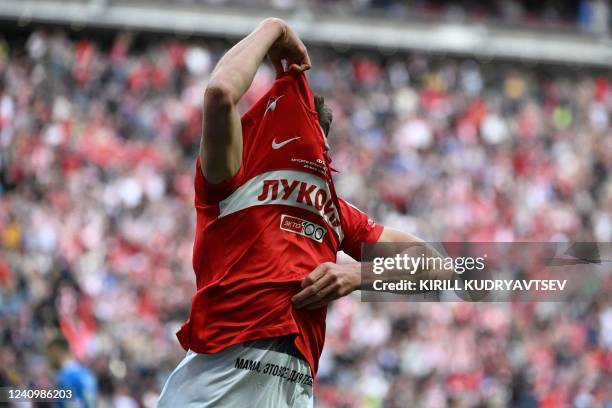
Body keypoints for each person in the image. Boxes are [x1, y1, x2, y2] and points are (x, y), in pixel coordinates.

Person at [158, 17, 428, 407]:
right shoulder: (233, 174)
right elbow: (219, 92)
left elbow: (436, 266)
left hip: (292, 388)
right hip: (216, 389)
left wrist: (359, 275)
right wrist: (275, 30)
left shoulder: (336, 212)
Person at [46, 336, 98, 408]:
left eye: (49, 355)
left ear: (56, 351)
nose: (49, 360)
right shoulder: (86, 374)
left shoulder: (67, 379)